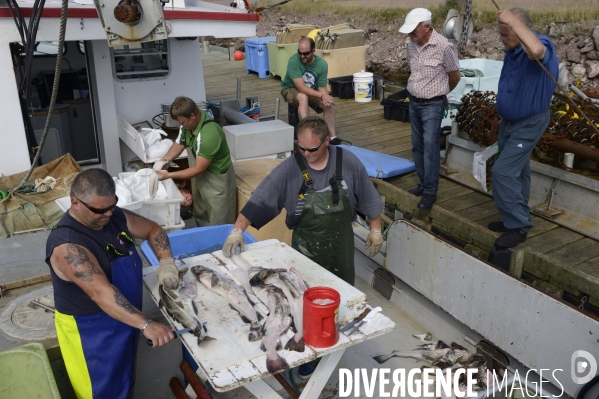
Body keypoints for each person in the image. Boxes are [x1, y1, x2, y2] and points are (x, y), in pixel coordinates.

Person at [46, 168, 180, 399]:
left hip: (124, 319)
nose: (108, 214)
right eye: (100, 210)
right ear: (75, 203)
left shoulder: (114, 215)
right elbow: (102, 293)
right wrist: (146, 324)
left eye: (113, 205)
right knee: (100, 392)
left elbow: (153, 229)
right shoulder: (68, 246)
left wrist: (166, 261)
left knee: (124, 383)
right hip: (91, 333)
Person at [222, 116, 384, 285]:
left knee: (342, 293)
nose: (306, 154)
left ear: (326, 141)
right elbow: (261, 199)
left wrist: (376, 230)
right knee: (306, 292)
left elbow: (368, 197)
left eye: (312, 149)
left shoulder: (348, 162)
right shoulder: (290, 168)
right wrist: (236, 232)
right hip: (306, 250)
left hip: (341, 249)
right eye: (302, 148)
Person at [488, 8, 558, 249]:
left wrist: (512, 22)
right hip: (510, 123)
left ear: (520, 30)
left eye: (505, 34)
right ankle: (513, 219)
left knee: (503, 172)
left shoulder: (540, 44)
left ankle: (518, 226)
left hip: (529, 122)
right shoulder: (513, 48)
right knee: (518, 171)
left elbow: (536, 50)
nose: (501, 39)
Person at [399, 8, 460, 210]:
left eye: (413, 31)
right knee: (417, 144)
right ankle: (423, 183)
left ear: (426, 28)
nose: (410, 35)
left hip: (434, 103)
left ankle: (430, 191)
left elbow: (454, 76)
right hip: (414, 101)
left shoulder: (444, 46)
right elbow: (413, 70)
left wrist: (440, 94)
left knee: (430, 145)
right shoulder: (411, 45)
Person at [156, 96, 236, 227]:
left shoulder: (209, 133)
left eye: (182, 123)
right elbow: (179, 143)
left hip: (217, 184)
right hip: (199, 182)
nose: (180, 125)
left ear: (192, 116)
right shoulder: (187, 126)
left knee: (219, 223)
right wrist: (166, 159)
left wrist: (169, 175)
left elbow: (199, 170)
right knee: (201, 216)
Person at [281, 37, 340, 144]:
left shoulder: (322, 64)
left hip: (310, 89)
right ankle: (307, 136)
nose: (302, 56)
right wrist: (322, 95)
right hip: (290, 88)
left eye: (306, 53)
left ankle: (333, 137)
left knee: (328, 105)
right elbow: (301, 88)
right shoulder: (293, 61)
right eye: (300, 52)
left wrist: (326, 99)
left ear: (313, 51)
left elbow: (322, 88)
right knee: (303, 97)